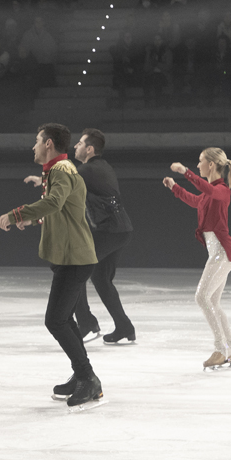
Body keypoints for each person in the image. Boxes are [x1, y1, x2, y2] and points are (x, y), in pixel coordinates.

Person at [0, 123, 103, 411]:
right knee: (64, 319)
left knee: (55, 320)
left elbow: (54, 203)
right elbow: (63, 210)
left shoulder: (61, 170)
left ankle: (88, 378)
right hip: (70, 256)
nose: (33, 146)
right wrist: (33, 220)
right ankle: (82, 375)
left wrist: (16, 213)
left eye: (36, 141)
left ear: (48, 144)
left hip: (75, 258)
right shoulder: (59, 170)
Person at [163, 147, 231, 368]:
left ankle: (220, 349)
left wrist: (185, 172)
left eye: (200, 162)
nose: (198, 165)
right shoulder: (210, 193)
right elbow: (197, 201)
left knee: (201, 297)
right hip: (219, 252)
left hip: (222, 252)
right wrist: (175, 187)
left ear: (211, 165)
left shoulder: (222, 190)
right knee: (213, 302)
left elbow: (206, 189)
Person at [72, 128, 135, 344]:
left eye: (79, 143)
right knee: (100, 278)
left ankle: (87, 323)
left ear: (89, 149)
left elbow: (66, 183)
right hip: (119, 229)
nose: (75, 146)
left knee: (75, 268)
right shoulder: (101, 166)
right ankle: (125, 327)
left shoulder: (88, 170)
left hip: (110, 230)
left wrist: (45, 179)